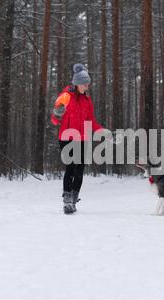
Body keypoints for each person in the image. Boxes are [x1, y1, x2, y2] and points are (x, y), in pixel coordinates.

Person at [51, 64, 105, 215]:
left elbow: (91, 121)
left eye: (88, 84)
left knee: (80, 168)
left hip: (83, 138)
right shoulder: (65, 96)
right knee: (71, 167)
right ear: (76, 83)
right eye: (84, 84)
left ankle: (73, 199)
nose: (87, 87)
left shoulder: (87, 100)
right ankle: (67, 200)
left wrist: (104, 132)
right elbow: (54, 120)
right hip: (67, 137)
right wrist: (57, 114)